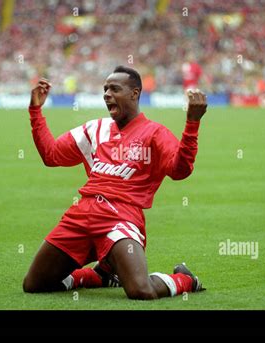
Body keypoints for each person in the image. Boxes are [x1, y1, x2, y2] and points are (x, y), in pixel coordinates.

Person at [23, 66, 207, 300]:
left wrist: (192, 124)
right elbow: (51, 155)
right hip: (81, 215)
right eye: (105, 89)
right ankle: (96, 276)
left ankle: (185, 279)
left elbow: (180, 170)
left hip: (120, 218)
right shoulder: (94, 129)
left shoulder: (154, 133)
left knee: (141, 291)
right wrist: (35, 110)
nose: (107, 94)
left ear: (135, 93)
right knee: (34, 284)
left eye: (114, 89)